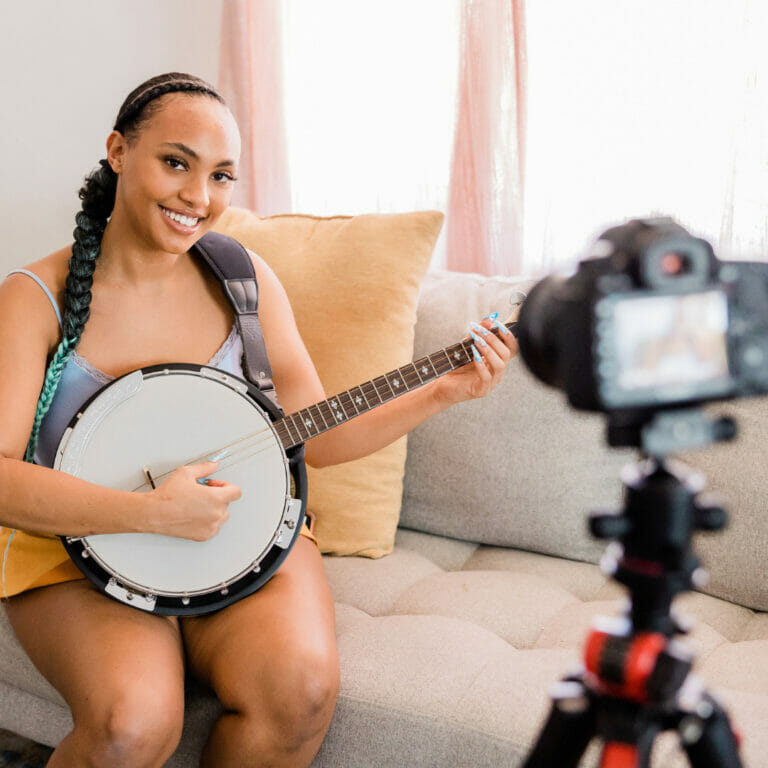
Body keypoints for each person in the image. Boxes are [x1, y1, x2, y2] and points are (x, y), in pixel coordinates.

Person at [0, 72, 518, 768]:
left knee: (299, 691)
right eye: (176, 162)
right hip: (74, 550)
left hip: (242, 534)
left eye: (221, 176)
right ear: (119, 151)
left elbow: (314, 434)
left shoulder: (243, 278)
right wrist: (150, 514)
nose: (198, 197)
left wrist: (442, 393)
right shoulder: (34, 298)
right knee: (133, 727)